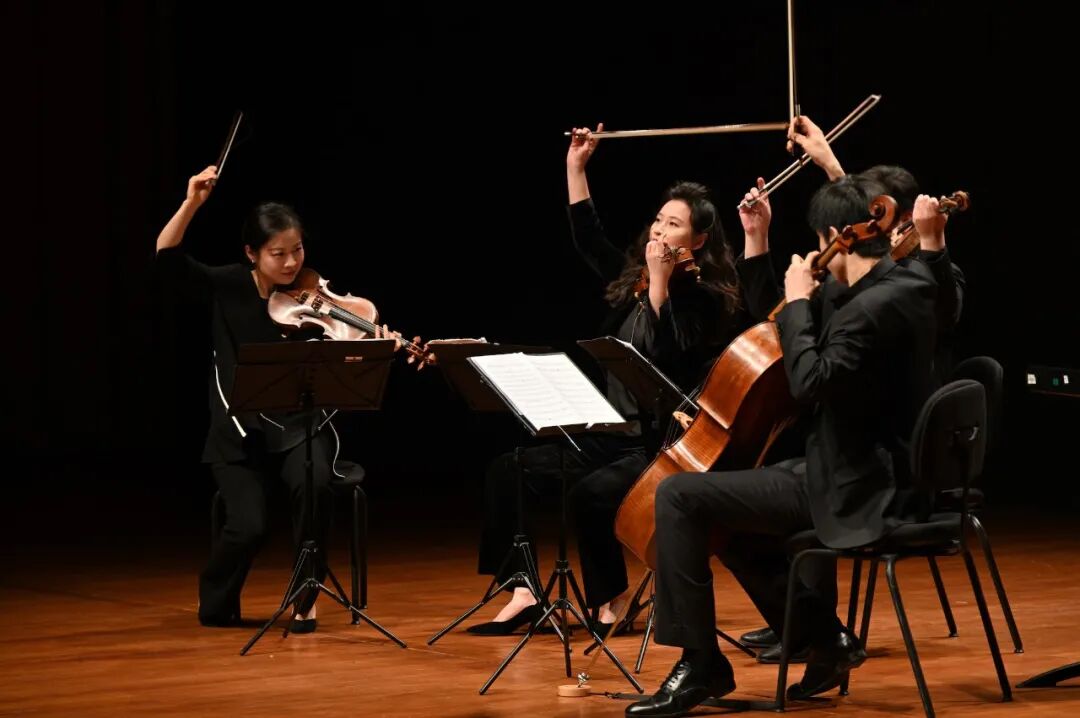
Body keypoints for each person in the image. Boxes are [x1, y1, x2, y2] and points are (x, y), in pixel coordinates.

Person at [627, 174, 938, 716]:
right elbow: (774, 322)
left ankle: (701, 662)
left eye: (821, 240)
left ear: (837, 236)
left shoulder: (869, 309)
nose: (821, 251)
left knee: (679, 495)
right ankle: (824, 639)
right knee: (726, 518)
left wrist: (797, 304)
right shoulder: (899, 286)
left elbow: (809, 381)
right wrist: (767, 255)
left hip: (856, 486)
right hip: (860, 468)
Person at [468, 125, 745, 635]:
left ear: (698, 240)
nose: (659, 231)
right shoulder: (632, 279)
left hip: (656, 442)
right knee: (509, 470)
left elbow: (666, 355)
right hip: (609, 432)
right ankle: (523, 588)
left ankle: (609, 597)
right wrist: (576, 167)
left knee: (590, 495)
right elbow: (589, 238)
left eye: (674, 225)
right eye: (659, 219)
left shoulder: (705, 298)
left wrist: (660, 283)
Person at [155, 165, 400, 631]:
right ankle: (217, 599)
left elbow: (346, 369)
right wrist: (191, 203)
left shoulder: (312, 299)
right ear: (252, 253)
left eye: (297, 250)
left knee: (315, 486)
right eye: (278, 254)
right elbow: (167, 259)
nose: (291, 264)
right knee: (249, 525)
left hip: (299, 427)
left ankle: (306, 595)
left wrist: (374, 348)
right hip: (239, 432)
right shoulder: (230, 285)